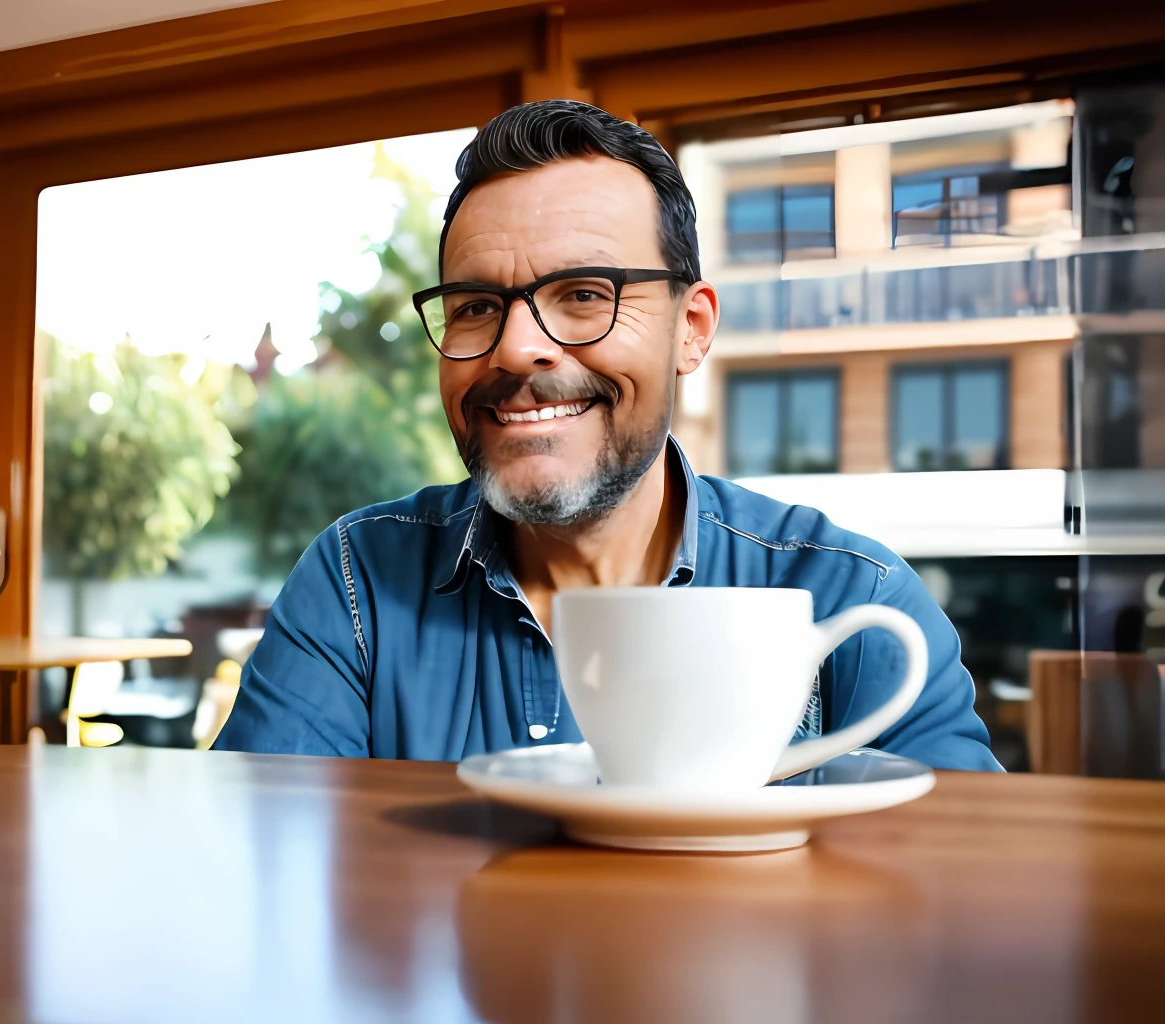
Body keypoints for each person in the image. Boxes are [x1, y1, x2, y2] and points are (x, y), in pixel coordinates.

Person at [213, 99, 1001, 771]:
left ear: (690, 331)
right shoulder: (357, 588)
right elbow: (255, 880)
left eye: (586, 294)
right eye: (477, 307)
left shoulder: (853, 600)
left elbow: (967, 908)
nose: (517, 347)